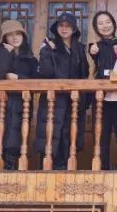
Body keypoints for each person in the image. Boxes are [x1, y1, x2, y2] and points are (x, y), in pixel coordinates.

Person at [0, 19, 37, 170]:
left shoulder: (30, 58)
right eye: (10, 34)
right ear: (4, 38)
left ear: (24, 36)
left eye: (18, 34)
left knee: (12, 151)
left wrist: (18, 78)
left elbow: (36, 81)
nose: (15, 37)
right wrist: (6, 52)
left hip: (18, 108)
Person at [37, 12, 89, 169]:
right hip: (53, 100)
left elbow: (84, 73)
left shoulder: (79, 48)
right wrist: (47, 52)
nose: (64, 29)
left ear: (74, 29)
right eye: (61, 25)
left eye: (68, 26)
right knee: (51, 138)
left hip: (73, 101)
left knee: (69, 138)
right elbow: (45, 72)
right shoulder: (49, 45)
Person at [89, 11, 117, 169]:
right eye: (100, 23)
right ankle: (102, 170)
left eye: (108, 21)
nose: (105, 26)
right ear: (96, 27)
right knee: (101, 138)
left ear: (113, 23)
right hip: (101, 98)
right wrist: (93, 52)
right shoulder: (95, 46)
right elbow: (97, 63)